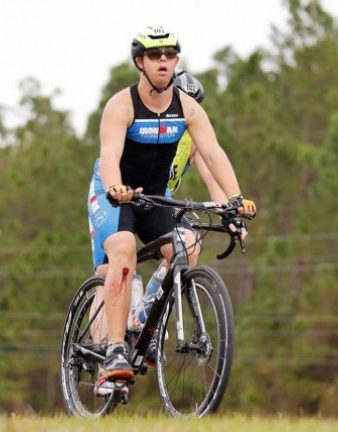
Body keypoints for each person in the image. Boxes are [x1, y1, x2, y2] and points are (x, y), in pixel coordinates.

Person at [86, 25, 256, 393]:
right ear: (140, 62)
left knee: (188, 245)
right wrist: (117, 188)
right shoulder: (121, 105)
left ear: (176, 60)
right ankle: (114, 349)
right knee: (123, 252)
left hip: (155, 196)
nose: (163, 61)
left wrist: (234, 203)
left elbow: (214, 155)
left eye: (169, 55)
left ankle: (144, 323)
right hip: (114, 193)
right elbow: (110, 156)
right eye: (154, 55)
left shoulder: (188, 109)